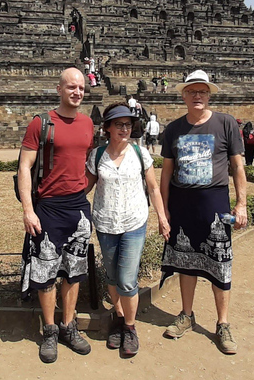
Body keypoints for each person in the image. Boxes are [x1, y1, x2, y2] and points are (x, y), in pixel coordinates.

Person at [159, 69, 247, 355]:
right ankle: (187, 314)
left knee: (219, 264)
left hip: (215, 202)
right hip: (182, 203)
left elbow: (237, 166)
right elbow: (166, 173)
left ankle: (222, 323)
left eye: (203, 92)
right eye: (192, 91)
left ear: (209, 95)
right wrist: (164, 211)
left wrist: (241, 203)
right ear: (183, 95)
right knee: (186, 262)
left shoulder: (226, 123)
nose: (198, 96)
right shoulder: (173, 129)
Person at [18, 67, 95, 363]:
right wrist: (28, 209)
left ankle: (68, 326)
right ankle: (49, 329)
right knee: (46, 270)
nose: (77, 92)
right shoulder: (41, 123)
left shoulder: (88, 123)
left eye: (81, 88)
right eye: (71, 87)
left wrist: (80, 193)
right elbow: (24, 167)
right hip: (47, 206)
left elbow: (88, 163)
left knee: (74, 271)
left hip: (77, 207)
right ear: (59, 89)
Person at [85, 103, 169, 358]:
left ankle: (130, 328)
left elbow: (153, 188)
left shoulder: (140, 153)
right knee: (111, 276)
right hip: (106, 223)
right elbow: (84, 189)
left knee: (126, 279)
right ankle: (119, 318)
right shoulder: (96, 156)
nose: (125, 129)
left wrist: (162, 218)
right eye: (119, 125)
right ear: (107, 128)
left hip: (134, 222)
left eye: (128, 125)